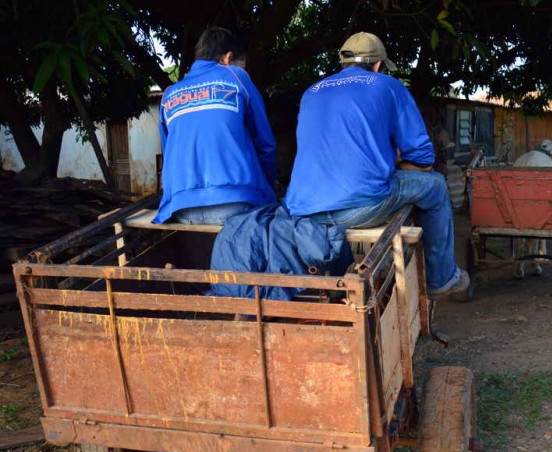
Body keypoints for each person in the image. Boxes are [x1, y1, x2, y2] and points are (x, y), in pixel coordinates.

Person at [284, 32, 468, 299]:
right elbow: (423, 158)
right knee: (437, 186)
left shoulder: (312, 91)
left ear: (343, 63)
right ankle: (442, 278)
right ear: (379, 65)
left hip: (304, 211)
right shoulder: (388, 86)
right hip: (361, 206)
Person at [153, 27, 277, 225]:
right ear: (228, 58)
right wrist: (268, 191)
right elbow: (266, 145)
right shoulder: (236, 77)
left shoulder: (169, 95)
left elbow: (168, 153)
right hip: (235, 205)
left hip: (181, 209)